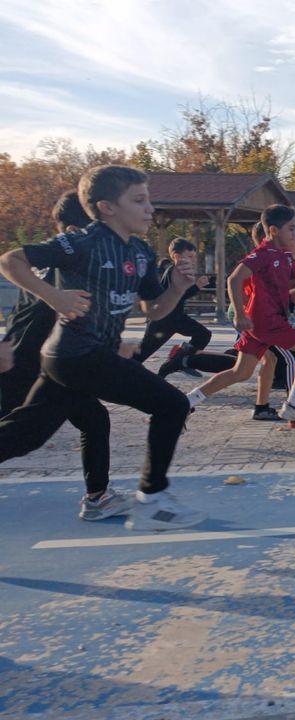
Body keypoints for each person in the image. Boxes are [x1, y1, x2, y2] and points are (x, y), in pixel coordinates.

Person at [0, 164, 204, 531]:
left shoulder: (140, 252)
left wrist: (176, 288)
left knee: (25, 436)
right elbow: (10, 260)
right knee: (172, 404)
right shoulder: (81, 242)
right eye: (138, 201)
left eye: (149, 199)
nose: (149, 209)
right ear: (107, 208)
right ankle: (152, 500)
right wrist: (54, 296)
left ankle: (109, 498)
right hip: (75, 354)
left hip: (76, 359)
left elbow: (154, 310)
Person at [185, 205, 295, 422]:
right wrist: (239, 314)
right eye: (291, 228)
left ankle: (187, 401)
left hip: (261, 322)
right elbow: (233, 279)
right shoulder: (262, 254)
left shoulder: (284, 256)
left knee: (241, 372)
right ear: (273, 231)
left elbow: (288, 288)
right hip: (266, 321)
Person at [1, 190, 91, 417]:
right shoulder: (64, 264)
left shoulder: (48, 261)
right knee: (14, 425)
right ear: (72, 231)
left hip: (40, 361)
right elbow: (7, 261)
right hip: (23, 365)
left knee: (95, 422)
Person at [140, 238, 213, 377]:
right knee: (141, 353)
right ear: (177, 257)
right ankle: (116, 374)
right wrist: (197, 286)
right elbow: (178, 295)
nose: (193, 260)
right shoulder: (173, 271)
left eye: (194, 257)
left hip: (177, 318)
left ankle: (178, 362)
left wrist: (198, 285)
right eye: (190, 256)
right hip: (163, 320)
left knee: (203, 334)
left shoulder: (181, 272)